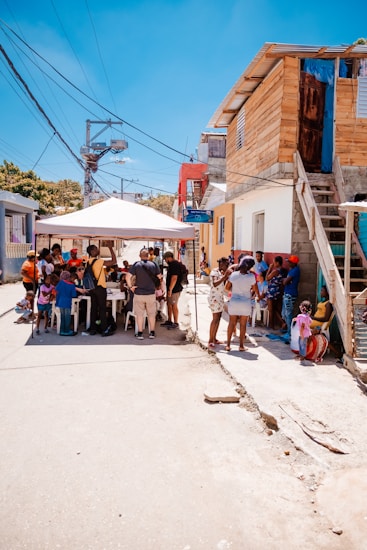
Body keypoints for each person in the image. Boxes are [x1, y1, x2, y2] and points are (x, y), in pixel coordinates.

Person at [225, 256, 259, 352]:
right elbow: (255, 289)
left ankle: (228, 345)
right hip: (245, 303)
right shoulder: (251, 277)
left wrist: (236, 288)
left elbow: (227, 288)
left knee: (231, 323)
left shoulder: (234, 275)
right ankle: (241, 346)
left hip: (234, 301)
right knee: (243, 325)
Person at [126, 248, 161, 340]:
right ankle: (152, 333)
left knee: (139, 314)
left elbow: (128, 276)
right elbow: (160, 277)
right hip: (150, 293)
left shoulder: (136, 265)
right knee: (151, 314)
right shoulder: (154, 264)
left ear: (139, 256)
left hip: (139, 293)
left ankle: (140, 333)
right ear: (148, 255)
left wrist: (130, 287)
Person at [86, 243, 117, 337]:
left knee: (93, 308)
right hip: (100, 287)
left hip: (92, 288)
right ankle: (104, 329)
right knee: (102, 309)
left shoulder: (88, 262)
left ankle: (93, 329)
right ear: (92, 251)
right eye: (96, 249)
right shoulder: (99, 261)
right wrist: (110, 249)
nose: (98, 250)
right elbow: (113, 261)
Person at [208, 257, 230, 347]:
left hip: (219, 297)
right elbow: (215, 283)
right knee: (215, 318)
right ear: (221, 264)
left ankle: (214, 338)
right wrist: (224, 277)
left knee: (218, 318)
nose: (227, 266)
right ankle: (210, 340)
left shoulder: (221, 272)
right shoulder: (215, 272)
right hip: (214, 298)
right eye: (226, 264)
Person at [161, 250, 183, 330]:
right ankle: (169, 320)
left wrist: (170, 289)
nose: (165, 261)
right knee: (169, 304)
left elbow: (174, 278)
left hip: (175, 289)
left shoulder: (174, 265)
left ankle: (176, 322)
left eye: (165, 259)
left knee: (174, 305)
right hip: (171, 288)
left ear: (169, 258)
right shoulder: (172, 265)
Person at [55, 271, 82, 336]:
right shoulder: (72, 285)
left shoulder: (60, 283)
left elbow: (56, 291)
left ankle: (62, 330)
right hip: (67, 303)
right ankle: (67, 331)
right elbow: (74, 295)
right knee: (67, 317)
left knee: (62, 317)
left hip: (60, 303)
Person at [282, 255, 301, 342]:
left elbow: (285, 282)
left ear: (294, 263)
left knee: (288, 314)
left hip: (290, 294)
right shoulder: (292, 270)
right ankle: (288, 330)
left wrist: (285, 280)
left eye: (289, 262)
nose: (288, 263)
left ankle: (290, 333)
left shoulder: (295, 270)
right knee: (284, 314)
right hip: (287, 293)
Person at [266, 256, 284, 330]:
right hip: (278, 291)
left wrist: (270, 268)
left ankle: (271, 325)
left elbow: (267, 278)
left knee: (271, 309)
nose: (273, 263)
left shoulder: (275, 271)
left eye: (274, 262)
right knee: (275, 309)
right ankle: (282, 323)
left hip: (272, 292)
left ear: (277, 263)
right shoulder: (283, 270)